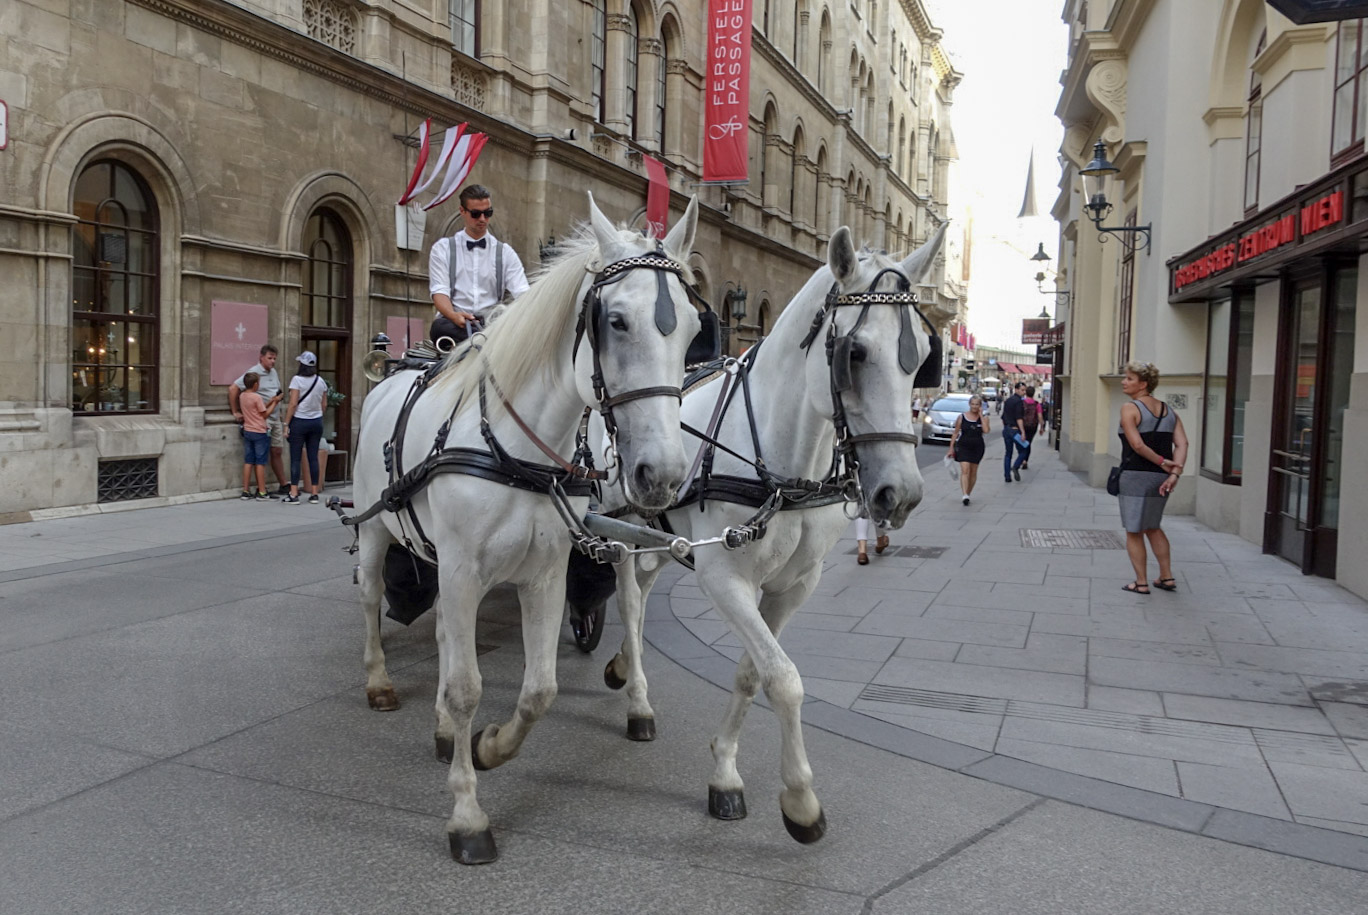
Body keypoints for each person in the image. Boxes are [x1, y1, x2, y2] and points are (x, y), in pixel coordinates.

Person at [1116, 361, 1187, 594]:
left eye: (1129, 378)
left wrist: (1161, 461)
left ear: (1143, 384)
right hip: (1160, 478)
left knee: (1134, 530)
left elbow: (1137, 444)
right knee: (1153, 527)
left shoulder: (1130, 408)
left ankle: (1141, 582)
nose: (1124, 382)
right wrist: (1174, 473)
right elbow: (1183, 444)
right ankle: (1166, 577)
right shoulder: (1169, 411)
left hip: (1135, 475)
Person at [428, 184, 530, 346]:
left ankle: (484, 338)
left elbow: (522, 292)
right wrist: (454, 316)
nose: (482, 219)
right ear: (462, 211)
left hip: (491, 323)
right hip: (455, 324)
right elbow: (439, 291)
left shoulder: (505, 253)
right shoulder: (442, 248)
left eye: (487, 213)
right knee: (439, 327)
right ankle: (483, 340)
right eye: (476, 214)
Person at [228, 344, 290, 496]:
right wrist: (235, 411)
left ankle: (283, 484)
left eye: (274, 358)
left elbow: (275, 392)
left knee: (277, 450)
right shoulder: (254, 373)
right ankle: (261, 488)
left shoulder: (274, 372)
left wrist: (277, 406)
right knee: (260, 456)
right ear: (261, 358)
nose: (273, 361)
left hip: (275, 417)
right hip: (262, 419)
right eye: (270, 358)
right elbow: (233, 388)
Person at [283, 351, 330, 505]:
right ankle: (314, 493)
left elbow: (293, 404)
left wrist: (286, 424)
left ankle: (294, 493)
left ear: (301, 365)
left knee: (295, 458)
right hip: (316, 422)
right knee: (313, 457)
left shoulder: (297, 380)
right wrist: (315, 414)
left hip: (299, 421)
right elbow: (324, 405)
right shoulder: (320, 381)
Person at [237, 372, 282, 501]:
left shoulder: (242, 396)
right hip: (259, 431)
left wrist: (270, 401)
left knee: (248, 461)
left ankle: (245, 491)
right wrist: (275, 403)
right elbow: (264, 414)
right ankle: (262, 491)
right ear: (256, 384)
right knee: (260, 462)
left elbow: (257, 410)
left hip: (248, 430)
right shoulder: (256, 397)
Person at [949, 394, 989, 505]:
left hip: (977, 447)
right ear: (969, 404)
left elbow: (986, 430)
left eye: (977, 404)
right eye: (972, 404)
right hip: (963, 446)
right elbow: (955, 433)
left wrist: (981, 416)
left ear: (980, 406)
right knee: (965, 470)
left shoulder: (984, 418)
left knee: (973, 472)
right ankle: (965, 495)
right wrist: (951, 448)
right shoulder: (962, 417)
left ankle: (968, 492)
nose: (974, 406)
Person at [1001, 381, 1029, 482]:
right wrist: (1023, 432)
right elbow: (1019, 418)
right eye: (1022, 390)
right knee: (1024, 449)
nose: (1024, 392)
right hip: (1015, 430)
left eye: (1025, 390)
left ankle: (1007, 476)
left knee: (1008, 453)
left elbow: (1003, 417)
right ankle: (1016, 466)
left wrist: (1006, 427)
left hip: (1006, 429)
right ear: (1016, 390)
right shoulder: (1018, 402)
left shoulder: (1008, 401)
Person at [1020, 385, 1042, 469]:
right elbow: (1040, 416)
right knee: (1028, 443)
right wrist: (1042, 427)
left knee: (1022, 442)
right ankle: (1025, 460)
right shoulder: (1037, 404)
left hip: (1023, 425)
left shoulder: (1022, 403)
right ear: (1033, 393)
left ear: (1026, 393)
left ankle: (1022, 458)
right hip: (1033, 426)